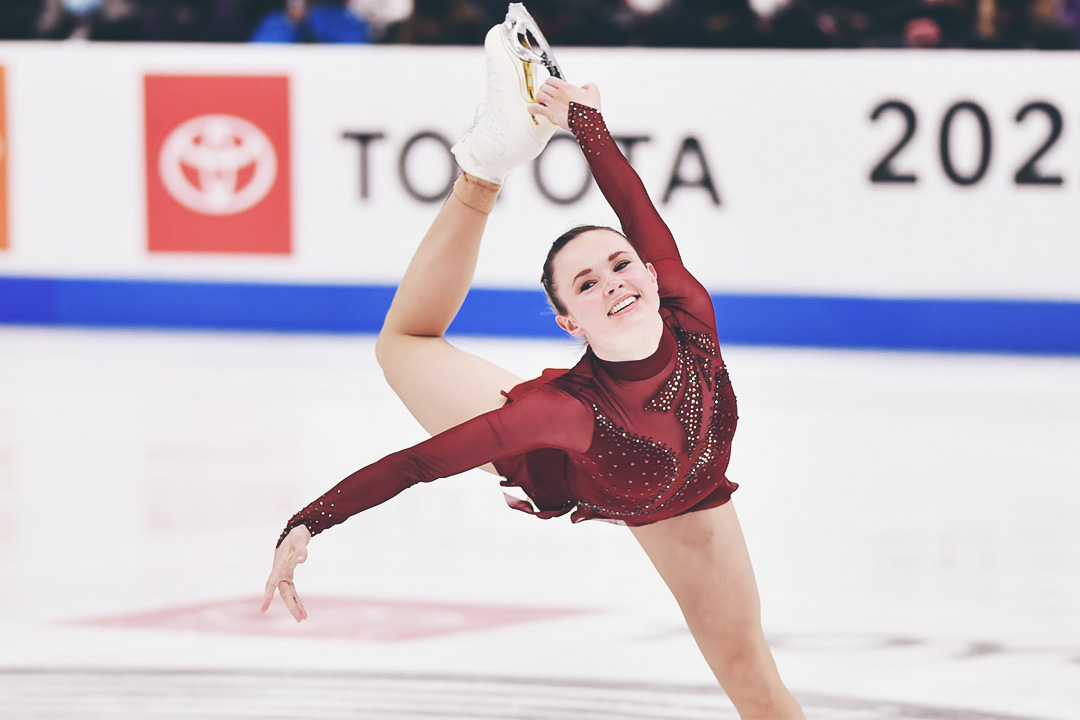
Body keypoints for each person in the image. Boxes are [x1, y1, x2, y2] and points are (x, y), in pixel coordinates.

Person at [262, 9, 805, 717]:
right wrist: (309, 521)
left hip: (691, 497)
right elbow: (420, 463)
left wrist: (585, 121)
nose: (614, 283)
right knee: (403, 346)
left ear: (650, 273)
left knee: (750, 673)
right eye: (587, 284)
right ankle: (481, 173)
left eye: (620, 265)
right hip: (569, 465)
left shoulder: (688, 306)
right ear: (568, 323)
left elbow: (631, 201)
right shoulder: (559, 415)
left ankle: (491, 162)